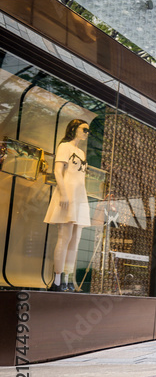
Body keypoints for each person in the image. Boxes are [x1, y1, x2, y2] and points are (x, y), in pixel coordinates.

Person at [43, 119, 92, 292]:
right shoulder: (64, 147)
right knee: (65, 237)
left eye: (88, 130)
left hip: (80, 196)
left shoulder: (81, 152)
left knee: (75, 240)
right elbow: (57, 171)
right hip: (67, 194)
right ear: (74, 129)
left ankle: (68, 280)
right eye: (84, 129)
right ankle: (57, 280)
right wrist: (63, 193)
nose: (87, 133)